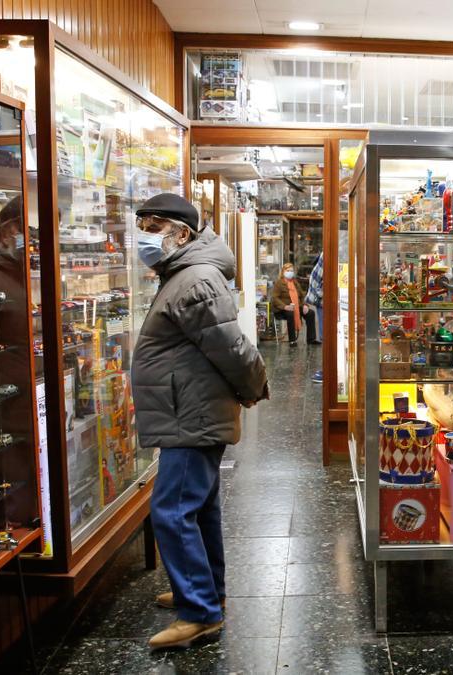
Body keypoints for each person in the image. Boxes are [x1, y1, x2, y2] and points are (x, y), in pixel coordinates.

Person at [131, 194, 268, 650]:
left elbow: (231, 347)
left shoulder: (195, 280)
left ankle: (200, 613)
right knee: (198, 506)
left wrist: (253, 388)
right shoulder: (184, 274)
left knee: (171, 511)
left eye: (152, 226)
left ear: (182, 233)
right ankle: (208, 593)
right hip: (188, 408)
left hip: (190, 413)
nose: (144, 235)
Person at [270, 262, 318, 346]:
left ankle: (311, 339)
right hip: (282, 309)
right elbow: (275, 298)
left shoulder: (295, 282)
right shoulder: (279, 283)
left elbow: (302, 296)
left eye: (291, 271)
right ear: (283, 272)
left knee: (311, 313)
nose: (290, 272)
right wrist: (285, 306)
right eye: (288, 270)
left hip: (296, 306)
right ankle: (292, 340)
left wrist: (304, 305)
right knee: (290, 314)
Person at [306, 252, 324, 383]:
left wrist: (319, 293)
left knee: (327, 336)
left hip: (324, 301)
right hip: (322, 301)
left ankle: (327, 370)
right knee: (325, 336)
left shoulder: (331, 250)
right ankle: (327, 369)